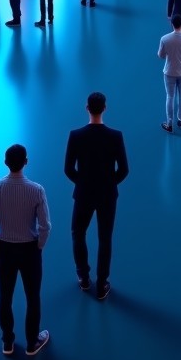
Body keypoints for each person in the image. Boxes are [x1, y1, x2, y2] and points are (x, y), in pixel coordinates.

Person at [0, 144, 51, 357]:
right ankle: (32, 343)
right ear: (26, 162)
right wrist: (39, 245)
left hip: (5, 249)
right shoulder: (37, 190)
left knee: (5, 296)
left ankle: (7, 342)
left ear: (5, 163)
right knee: (32, 297)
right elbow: (45, 226)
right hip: (29, 250)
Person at [64, 92, 129, 300]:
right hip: (107, 194)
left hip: (83, 193)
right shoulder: (115, 136)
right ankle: (102, 284)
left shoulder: (76, 135)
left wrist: (83, 183)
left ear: (87, 108)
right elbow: (124, 170)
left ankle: (84, 277)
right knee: (105, 237)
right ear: (105, 108)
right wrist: (109, 183)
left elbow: (68, 169)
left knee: (78, 233)